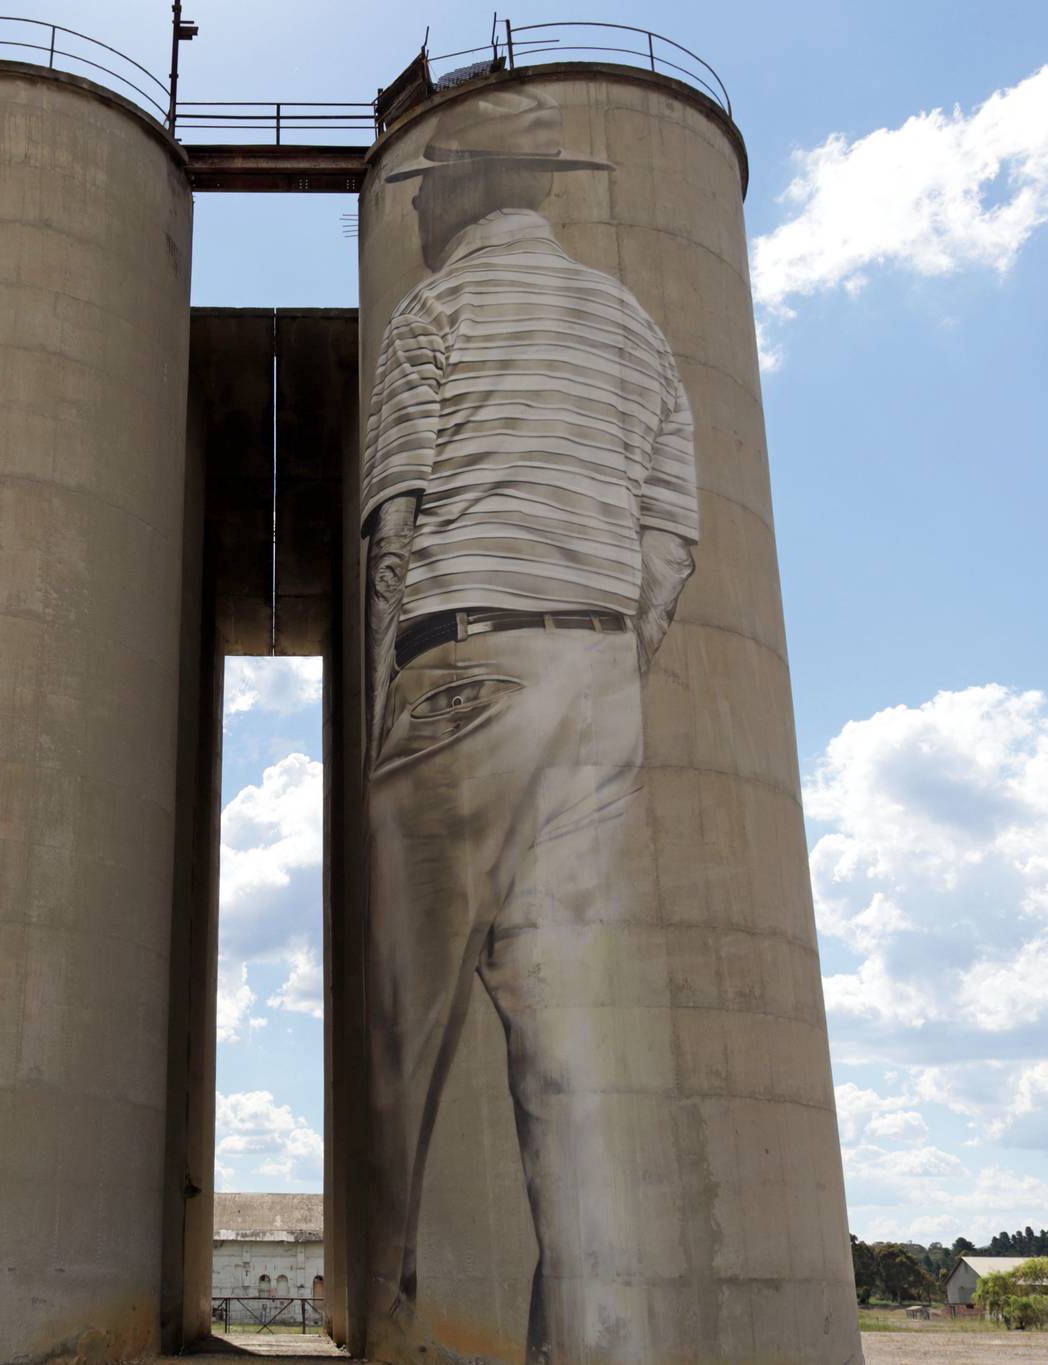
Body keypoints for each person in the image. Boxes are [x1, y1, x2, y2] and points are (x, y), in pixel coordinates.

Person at [361, 87, 699, 1363]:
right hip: (599, 678)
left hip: (466, 655)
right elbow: (669, 527)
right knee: (560, 1036)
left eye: (434, 189)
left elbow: (395, 512)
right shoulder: (634, 325)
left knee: (409, 1012)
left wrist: (411, 666)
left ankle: (390, 1318)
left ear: (456, 195)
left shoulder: (432, 310)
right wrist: (618, 650)